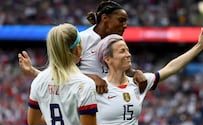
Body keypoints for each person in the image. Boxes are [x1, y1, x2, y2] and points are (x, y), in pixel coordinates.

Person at [95, 25, 203, 125]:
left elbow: (170, 68)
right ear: (107, 59)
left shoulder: (138, 83)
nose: (128, 54)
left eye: (128, 50)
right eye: (122, 51)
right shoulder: (96, 88)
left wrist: (199, 46)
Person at [18, 0, 147, 94]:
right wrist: (92, 78)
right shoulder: (81, 40)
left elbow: (122, 69)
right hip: (84, 103)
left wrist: (135, 72)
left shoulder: (118, 41)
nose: (125, 25)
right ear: (105, 18)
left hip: (111, 106)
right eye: (121, 20)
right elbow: (63, 73)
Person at [27, 23, 107, 125]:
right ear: (77, 49)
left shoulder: (39, 80)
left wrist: (63, 118)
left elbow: (33, 121)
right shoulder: (85, 84)